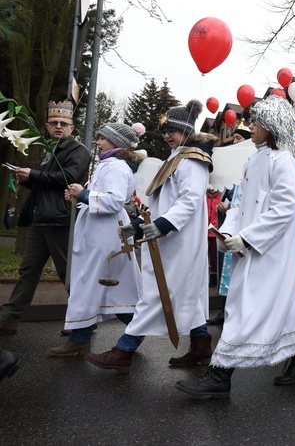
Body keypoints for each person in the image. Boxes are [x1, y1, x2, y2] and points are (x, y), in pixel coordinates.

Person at [175, 95, 295, 398]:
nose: (250, 124)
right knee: (275, 305)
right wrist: (228, 232)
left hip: (270, 251)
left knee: (245, 308)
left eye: (258, 120)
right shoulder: (254, 159)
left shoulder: (284, 162)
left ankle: (220, 374)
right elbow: (239, 204)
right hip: (250, 247)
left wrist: (248, 238)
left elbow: (285, 209)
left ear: (274, 125)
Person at [85, 100, 215, 373]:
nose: (167, 135)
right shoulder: (177, 157)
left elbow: (190, 201)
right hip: (169, 239)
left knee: (158, 294)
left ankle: (124, 350)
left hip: (179, 241)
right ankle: (201, 344)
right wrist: (136, 223)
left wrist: (165, 224)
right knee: (183, 293)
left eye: (173, 130)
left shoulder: (193, 160)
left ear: (187, 131)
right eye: (165, 130)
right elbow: (159, 202)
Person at [47, 123, 144, 357]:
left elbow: (114, 201)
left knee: (96, 287)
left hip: (105, 237)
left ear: (116, 142)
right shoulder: (109, 165)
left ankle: (135, 331)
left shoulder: (116, 167)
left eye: (102, 138)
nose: (98, 142)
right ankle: (83, 338)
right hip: (99, 234)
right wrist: (78, 197)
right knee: (97, 288)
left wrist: (85, 193)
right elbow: (97, 199)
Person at [0, 100, 90, 336]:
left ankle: (81, 320)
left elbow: (68, 177)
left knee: (67, 272)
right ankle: (8, 318)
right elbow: (45, 183)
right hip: (40, 220)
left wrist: (35, 174)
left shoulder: (79, 151)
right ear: (46, 126)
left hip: (60, 220)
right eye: (54, 123)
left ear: (72, 128)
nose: (59, 126)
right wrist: (28, 179)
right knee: (28, 271)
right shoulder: (49, 150)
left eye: (64, 123)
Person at [209, 121, 253, 326]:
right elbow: (227, 193)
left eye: (239, 139)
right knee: (228, 269)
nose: (234, 142)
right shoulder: (235, 168)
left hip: (246, 229)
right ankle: (227, 309)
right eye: (233, 138)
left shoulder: (252, 166)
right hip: (230, 225)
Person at [206, 185, 221, 288]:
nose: (212, 190)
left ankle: (214, 277)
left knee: (214, 257)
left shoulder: (221, 197)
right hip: (204, 232)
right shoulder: (203, 197)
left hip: (216, 232)